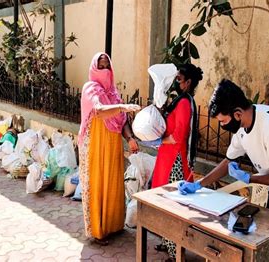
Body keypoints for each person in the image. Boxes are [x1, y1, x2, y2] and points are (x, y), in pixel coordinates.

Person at [178, 79, 269, 262]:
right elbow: (228, 161)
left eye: (222, 121)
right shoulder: (242, 127)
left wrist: (250, 178)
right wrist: (198, 185)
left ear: (237, 114)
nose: (221, 126)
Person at [78, 52, 140, 245]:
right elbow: (98, 110)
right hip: (95, 146)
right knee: (97, 184)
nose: (104, 70)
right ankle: (98, 231)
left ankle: (113, 226)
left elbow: (122, 122)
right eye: (101, 66)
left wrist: (130, 139)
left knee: (113, 183)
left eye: (107, 66)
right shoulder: (90, 88)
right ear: (94, 68)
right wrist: (123, 107)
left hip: (112, 145)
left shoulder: (113, 93)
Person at [145, 64, 203, 260]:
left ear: (188, 83)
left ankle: (176, 253)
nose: (176, 82)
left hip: (175, 159)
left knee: (173, 205)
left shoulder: (186, 103)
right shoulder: (180, 101)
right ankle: (168, 242)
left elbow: (179, 134)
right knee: (165, 201)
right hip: (168, 156)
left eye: (179, 79)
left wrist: (160, 139)